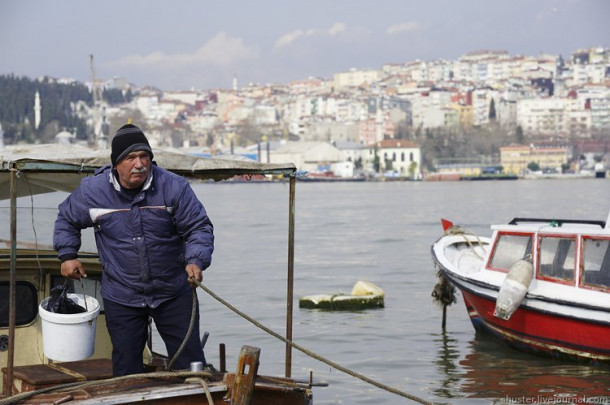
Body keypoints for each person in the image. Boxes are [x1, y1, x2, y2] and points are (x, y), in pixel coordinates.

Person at [53, 124, 214, 375]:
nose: (139, 164)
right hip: (122, 294)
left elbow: (198, 227)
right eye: (130, 158)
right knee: (127, 368)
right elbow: (67, 219)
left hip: (172, 291)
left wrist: (196, 260)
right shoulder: (92, 191)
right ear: (116, 163)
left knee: (190, 364)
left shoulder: (174, 187)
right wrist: (68, 256)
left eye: (144, 157)